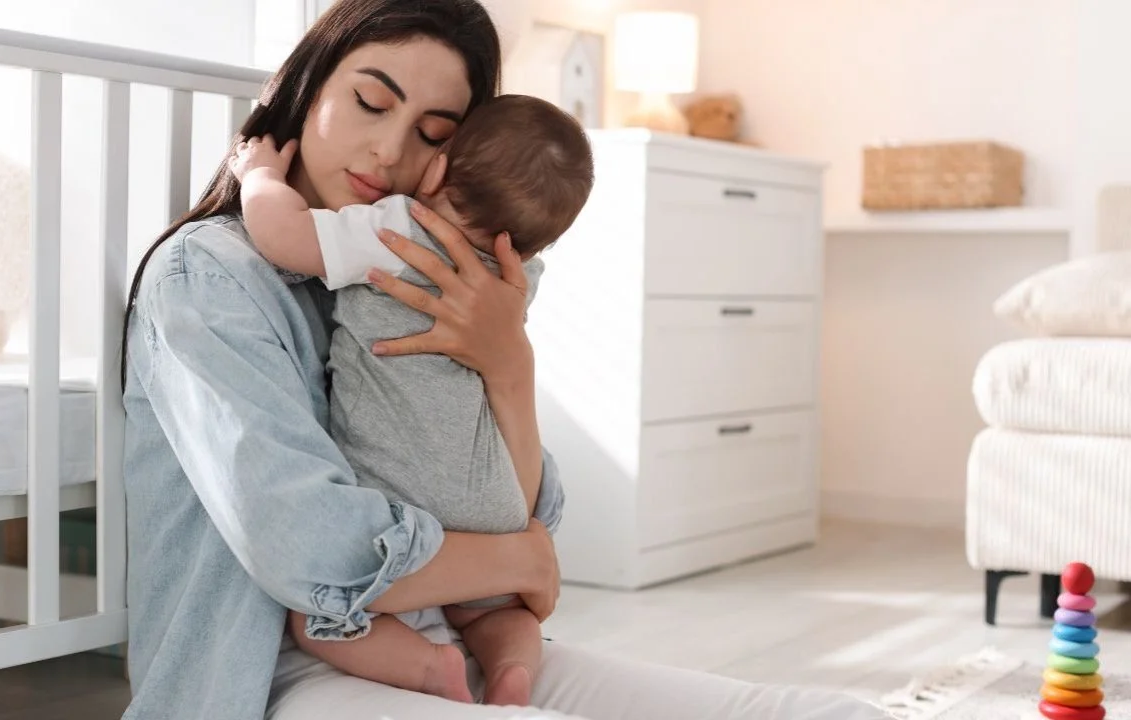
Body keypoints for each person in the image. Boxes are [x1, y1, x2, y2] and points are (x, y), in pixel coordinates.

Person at [119, 0, 890, 717]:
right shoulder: (213, 276)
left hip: (456, 644)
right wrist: (517, 561)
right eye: (371, 102)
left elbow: (518, 507)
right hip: (274, 675)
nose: (389, 150)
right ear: (307, 82)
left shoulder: (425, 264)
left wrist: (507, 366)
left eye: (432, 131)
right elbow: (308, 551)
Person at [226, 92, 595, 707]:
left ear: (441, 167)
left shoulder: (397, 227)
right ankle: (511, 670)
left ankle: (431, 671)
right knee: (495, 614)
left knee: (322, 615)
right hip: (502, 498)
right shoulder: (517, 278)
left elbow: (283, 236)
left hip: (403, 484)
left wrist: (260, 176)